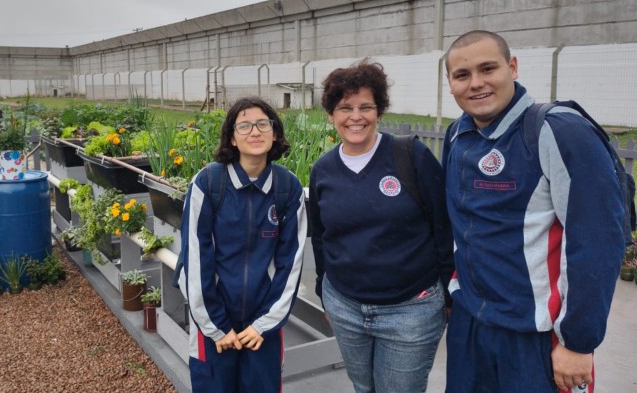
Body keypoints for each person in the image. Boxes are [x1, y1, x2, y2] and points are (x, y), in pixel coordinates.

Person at [441, 30, 626, 392]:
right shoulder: (456, 135)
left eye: (488, 69)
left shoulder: (558, 131)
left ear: (512, 67)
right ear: (450, 83)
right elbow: (457, 226)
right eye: (462, 75)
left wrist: (577, 341)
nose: (476, 83)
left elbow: (598, 241)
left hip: (536, 335)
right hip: (471, 325)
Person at [309, 60, 454, 393]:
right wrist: (324, 292)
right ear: (331, 115)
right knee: (364, 387)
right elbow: (321, 237)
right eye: (345, 107)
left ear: (379, 110)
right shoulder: (323, 170)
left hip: (410, 308)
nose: (355, 116)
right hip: (345, 305)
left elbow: (443, 227)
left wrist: (448, 293)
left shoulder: (410, 155)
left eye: (365, 107)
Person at [179, 96, 307, 393]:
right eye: (244, 125)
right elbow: (195, 259)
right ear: (232, 138)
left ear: (274, 133)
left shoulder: (288, 188)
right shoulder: (208, 184)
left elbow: (292, 262)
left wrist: (265, 324)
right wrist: (216, 327)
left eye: (263, 124)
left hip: (262, 326)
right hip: (213, 324)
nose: (255, 131)